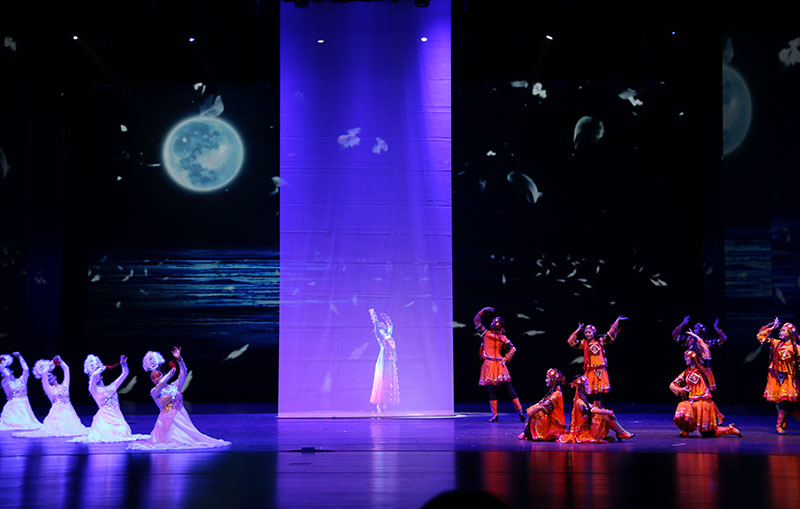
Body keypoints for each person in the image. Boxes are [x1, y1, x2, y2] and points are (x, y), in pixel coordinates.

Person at [129, 347, 230, 451]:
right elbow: (161, 384)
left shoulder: (175, 386)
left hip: (181, 417)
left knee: (190, 440)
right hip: (166, 422)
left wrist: (179, 359)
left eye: (158, 375)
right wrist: (169, 374)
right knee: (175, 441)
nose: (156, 379)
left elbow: (183, 373)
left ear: (163, 374)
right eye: (153, 378)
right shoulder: (154, 391)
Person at [71, 354, 146, 443]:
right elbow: (94, 376)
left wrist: (123, 364)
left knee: (124, 432)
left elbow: (125, 374)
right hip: (104, 420)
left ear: (101, 376)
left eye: (96, 372)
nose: (94, 375)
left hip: (117, 418)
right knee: (108, 434)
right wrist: (101, 368)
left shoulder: (112, 387)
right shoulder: (93, 390)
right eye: (91, 374)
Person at [669, 347, 741, 438]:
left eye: (687, 357)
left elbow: (707, 356)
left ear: (693, 358)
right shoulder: (686, 373)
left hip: (704, 403)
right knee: (682, 406)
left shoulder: (703, 369)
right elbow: (672, 385)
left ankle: (729, 429)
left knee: (707, 434)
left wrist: (701, 342)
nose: (685, 359)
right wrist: (681, 390)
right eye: (685, 357)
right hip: (693, 402)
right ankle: (685, 430)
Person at [14, 355, 88, 437]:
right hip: (57, 413)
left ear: (55, 376)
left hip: (69, 411)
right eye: (46, 377)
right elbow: (44, 373)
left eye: (49, 376)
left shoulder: (65, 385)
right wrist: (51, 363)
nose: (48, 378)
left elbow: (66, 369)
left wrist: (60, 360)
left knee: (75, 430)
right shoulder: (48, 389)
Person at [474, 307, 524, 422]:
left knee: (492, 390)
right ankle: (520, 411)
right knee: (509, 388)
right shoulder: (503, 338)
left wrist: (482, 310)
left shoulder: (486, 333)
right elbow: (513, 349)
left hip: (490, 364)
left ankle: (495, 415)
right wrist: (505, 359)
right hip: (500, 364)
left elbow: (476, 321)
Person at [567, 316, 627, 408]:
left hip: (600, 370)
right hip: (590, 370)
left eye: (589, 332)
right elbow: (570, 342)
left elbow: (610, 334)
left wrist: (616, 321)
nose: (587, 334)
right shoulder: (584, 343)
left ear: (594, 332)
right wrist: (577, 331)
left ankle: (597, 409)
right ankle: (590, 408)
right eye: (586, 332)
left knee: (598, 392)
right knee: (589, 391)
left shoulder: (600, 341)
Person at [557, 374, 634, 443]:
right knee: (606, 415)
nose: (589, 387)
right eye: (587, 385)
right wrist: (608, 412)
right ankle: (621, 433)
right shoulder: (579, 402)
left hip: (587, 426)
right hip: (584, 432)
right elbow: (592, 410)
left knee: (603, 414)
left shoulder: (581, 398)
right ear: (581, 387)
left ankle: (620, 433)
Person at [757, 317, 800, 434]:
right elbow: (760, 336)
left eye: (783, 330)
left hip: (789, 379)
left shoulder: (796, 348)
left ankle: (779, 425)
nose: (780, 332)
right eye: (780, 330)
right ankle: (781, 423)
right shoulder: (775, 343)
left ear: (790, 333)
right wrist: (772, 327)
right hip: (776, 378)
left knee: (785, 403)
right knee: (785, 404)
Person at [672, 316, 728, 390]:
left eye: (696, 328)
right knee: (690, 387)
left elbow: (723, 339)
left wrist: (716, 328)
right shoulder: (690, 340)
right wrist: (683, 323)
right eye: (694, 328)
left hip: (702, 369)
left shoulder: (706, 342)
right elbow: (675, 335)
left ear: (701, 330)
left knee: (701, 388)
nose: (694, 329)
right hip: (692, 368)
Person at [518, 368, 566, 441]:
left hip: (554, 424)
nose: (545, 380)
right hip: (550, 421)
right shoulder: (552, 392)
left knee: (538, 413)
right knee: (535, 409)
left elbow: (543, 407)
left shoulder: (557, 394)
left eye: (547, 378)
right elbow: (541, 403)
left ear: (553, 380)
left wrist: (531, 412)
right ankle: (528, 433)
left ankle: (537, 435)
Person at [0, 352, 42, 431]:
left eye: (6, 370)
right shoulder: (4, 382)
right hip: (12, 407)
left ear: (12, 371)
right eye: (2, 372)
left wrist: (20, 357)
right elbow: (7, 375)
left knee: (28, 425)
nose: (5, 373)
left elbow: (26, 369)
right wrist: (1, 365)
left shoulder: (22, 380)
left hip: (24, 405)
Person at [368, 308, 399, 413]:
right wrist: (375, 318)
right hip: (383, 359)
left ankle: (387, 402)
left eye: (383, 325)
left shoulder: (388, 335)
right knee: (382, 379)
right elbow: (376, 328)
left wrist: (387, 319)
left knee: (388, 379)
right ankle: (380, 403)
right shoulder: (380, 336)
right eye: (382, 325)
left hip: (389, 359)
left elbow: (391, 326)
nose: (383, 326)